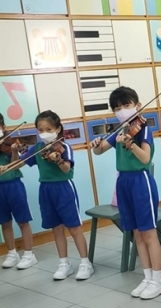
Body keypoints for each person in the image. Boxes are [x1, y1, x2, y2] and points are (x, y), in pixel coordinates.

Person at [90, 86, 161, 300]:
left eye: (126, 105)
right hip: (123, 182)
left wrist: (131, 145)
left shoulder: (144, 129)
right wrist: (95, 145)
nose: (122, 110)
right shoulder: (121, 130)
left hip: (140, 181)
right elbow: (100, 150)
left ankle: (159, 280)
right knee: (136, 233)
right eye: (117, 108)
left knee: (148, 232)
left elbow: (145, 158)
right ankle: (147, 277)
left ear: (137, 105)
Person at [1, 111, 93, 280]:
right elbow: (19, 163)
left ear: (57, 129)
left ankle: (85, 263)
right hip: (45, 190)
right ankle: (64, 263)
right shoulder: (37, 148)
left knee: (74, 228)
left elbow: (67, 169)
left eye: (48, 129)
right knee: (56, 229)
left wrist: (58, 160)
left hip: (64, 189)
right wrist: (7, 164)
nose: (44, 133)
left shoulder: (64, 147)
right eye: (40, 130)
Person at [0, 113, 37, 270]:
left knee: (22, 220)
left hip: (13, 185)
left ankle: (29, 254)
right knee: (4, 222)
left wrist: (14, 151)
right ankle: (12, 253)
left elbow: (16, 164)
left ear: (3, 126)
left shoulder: (10, 142)